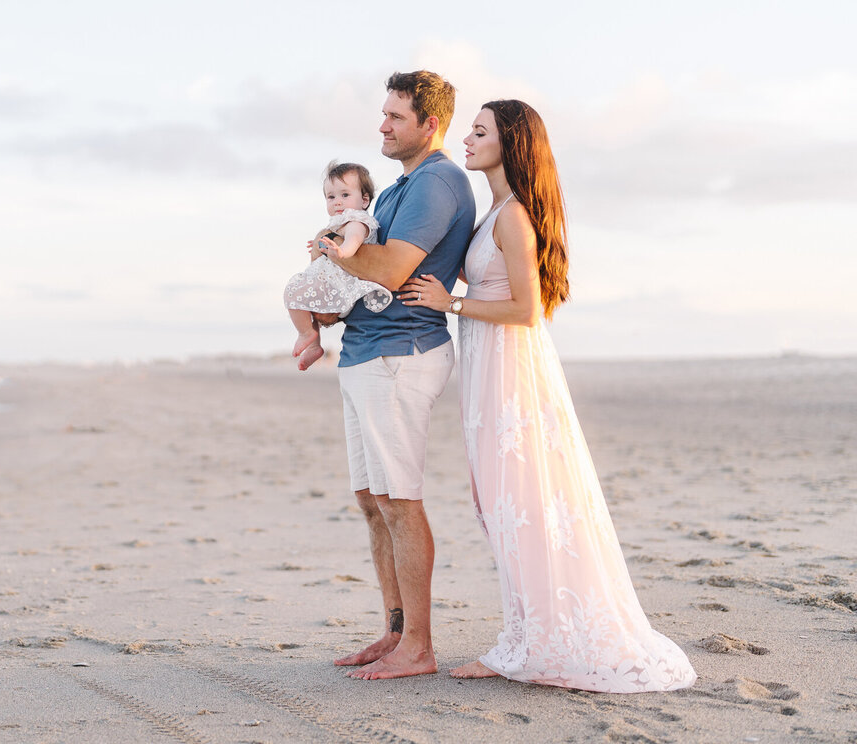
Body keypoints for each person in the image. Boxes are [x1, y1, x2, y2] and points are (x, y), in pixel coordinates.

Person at [400, 99, 697, 692]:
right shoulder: (496, 213)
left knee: (521, 505)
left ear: (510, 144)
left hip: (511, 370)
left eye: (479, 131)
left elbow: (527, 310)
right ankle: (529, 633)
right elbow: (493, 276)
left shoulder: (512, 216)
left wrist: (449, 302)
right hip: (489, 367)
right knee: (503, 509)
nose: (467, 139)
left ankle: (536, 641)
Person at [315, 71, 476, 680]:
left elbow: (388, 269)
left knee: (399, 502)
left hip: (401, 356)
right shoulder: (393, 191)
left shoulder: (437, 182)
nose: (381, 125)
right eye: (382, 114)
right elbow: (365, 276)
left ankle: (421, 647)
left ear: (429, 123)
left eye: (395, 117)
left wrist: (334, 248)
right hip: (363, 353)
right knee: (370, 500)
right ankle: (395, 631)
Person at [284, 161, 392, 371]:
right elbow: (333, 239)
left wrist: (342, 251)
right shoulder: (339, 222)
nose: (337, 202)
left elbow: (354, 239)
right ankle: (313, 346)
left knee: (293, 293)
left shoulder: (357, 220)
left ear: (365, 199)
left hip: (342, 281)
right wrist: (321, 244)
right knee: (303, 302)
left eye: (345, 195)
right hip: (333, 276)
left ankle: (308, 335)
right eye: (331, 197)